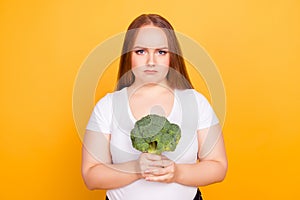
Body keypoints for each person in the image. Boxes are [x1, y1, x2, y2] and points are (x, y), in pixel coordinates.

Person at [81, 14, 227, 200]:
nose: (151, 61)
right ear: (128, 55)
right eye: (141, 51)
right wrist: (136, 168)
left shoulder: (196, 103)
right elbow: (91, 176)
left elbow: (218, 166)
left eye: (161, 52)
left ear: (172, 56)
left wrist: (176, 173)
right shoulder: (107, 106)